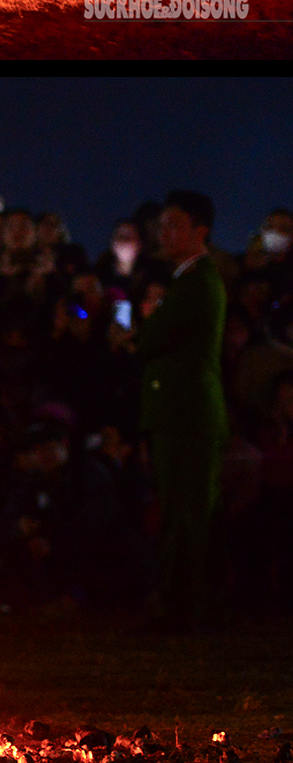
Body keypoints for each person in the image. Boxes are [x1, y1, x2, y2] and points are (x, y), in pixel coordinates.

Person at [129, 189, 229, 627]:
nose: (163, 234)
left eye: (174, 225)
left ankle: (183, 605)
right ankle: (184, 602)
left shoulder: (196, 282)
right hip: (183, 412)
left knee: (186, 511)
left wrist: (147, 326)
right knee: (182, 508)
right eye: (162, 225)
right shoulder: (191, 281)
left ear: (199, 231)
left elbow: (153, 341)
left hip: (187, 413)